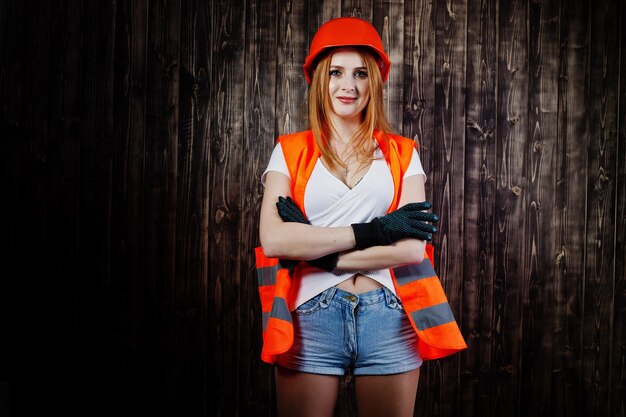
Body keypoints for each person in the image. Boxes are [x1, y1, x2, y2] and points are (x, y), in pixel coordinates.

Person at [256, 17, 466, 417]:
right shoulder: (290, 150)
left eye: (360, 74)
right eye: (336, 73)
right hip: (309, 318)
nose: (347, 86)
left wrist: (319, 252)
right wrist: (378, 229)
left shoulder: (403, 153)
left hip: (387, 313)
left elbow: (410, 250)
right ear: (320, 79)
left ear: (375, 83)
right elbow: (275, 241)